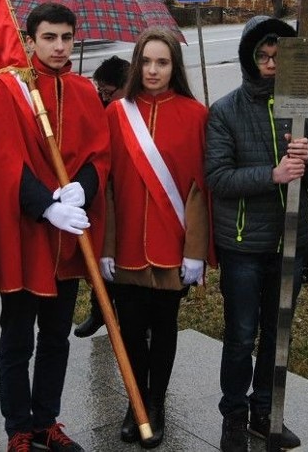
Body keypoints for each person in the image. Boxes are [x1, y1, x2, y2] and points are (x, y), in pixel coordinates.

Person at [0, 2, 110, 452]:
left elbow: (99, 154)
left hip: (68, 240)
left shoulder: (85, 91)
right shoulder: (10, 88)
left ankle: (45, 422)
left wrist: (83, 189)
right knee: (17, 339)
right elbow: (3, 157)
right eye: (49, 37)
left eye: (66, 38)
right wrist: (46, 205)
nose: (59, 46)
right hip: (30, 234)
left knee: (56, 337)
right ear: (30, 40)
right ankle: (17, 428)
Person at [205, 16, 308, 452]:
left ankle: (266, 411)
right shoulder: (225, 111)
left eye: (279, 56)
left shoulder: (307, 107)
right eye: (263, 55)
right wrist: (273, 174)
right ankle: (234, 415)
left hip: (289, 241)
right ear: (249, 57)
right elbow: (218, 178)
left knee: (278, 332)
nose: (271, 63)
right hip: (243, 244)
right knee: (241, 334)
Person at [100, 27, 212, 448]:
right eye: (145, 61)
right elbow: (107, 185)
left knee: (164, 329)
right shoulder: (116, 113)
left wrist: (196, 251)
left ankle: (157, 403)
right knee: (130, 331)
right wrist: (107, 246)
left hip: (173, 248)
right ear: (136, 64)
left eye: (162, 62)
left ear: (174, 66)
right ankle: (136, 405)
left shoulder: (195, 114)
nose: (152, 70)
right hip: (127, 246)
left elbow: (199, 189)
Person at [74, 54, 130, 339]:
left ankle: (129, 319)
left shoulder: (134, 108)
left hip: (129, 193)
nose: (104, 97)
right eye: (101, 91)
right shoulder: (95, 106)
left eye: (110, 92)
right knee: (100, 255)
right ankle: (100, 311)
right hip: (101, 194)